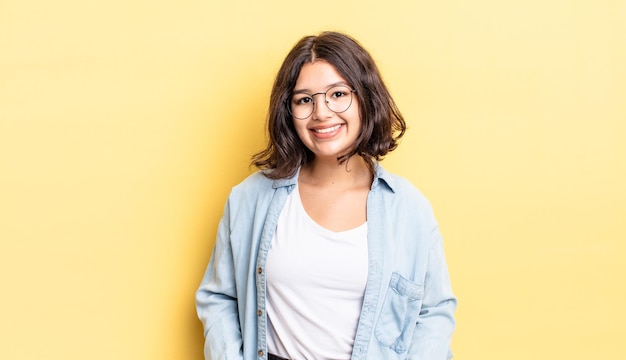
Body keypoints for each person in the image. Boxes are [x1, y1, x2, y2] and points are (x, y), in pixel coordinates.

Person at [196, 31, 456, 360]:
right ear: (288, 111)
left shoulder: (408, 208)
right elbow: (219, 298)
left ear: (365, 98)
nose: (321, 112)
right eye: (305, 99)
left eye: (337, 94)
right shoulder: (249, 199)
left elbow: (434, 313)